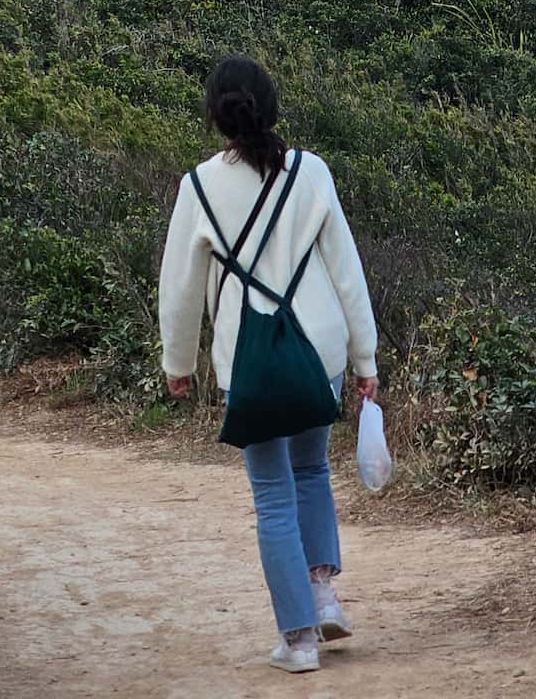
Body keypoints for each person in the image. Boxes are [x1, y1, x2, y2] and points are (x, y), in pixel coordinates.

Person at [159, 56, 379, 676]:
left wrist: (179, 362)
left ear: (215, 115)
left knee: (273, 493)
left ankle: (300, 640)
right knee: (311, 470)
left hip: (249, 362)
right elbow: (346, 271)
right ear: (271, 106)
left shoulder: (198, 187)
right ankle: (324, 592)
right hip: (320, 353)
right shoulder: (311, 173)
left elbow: (179, 288)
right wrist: (365, 359)